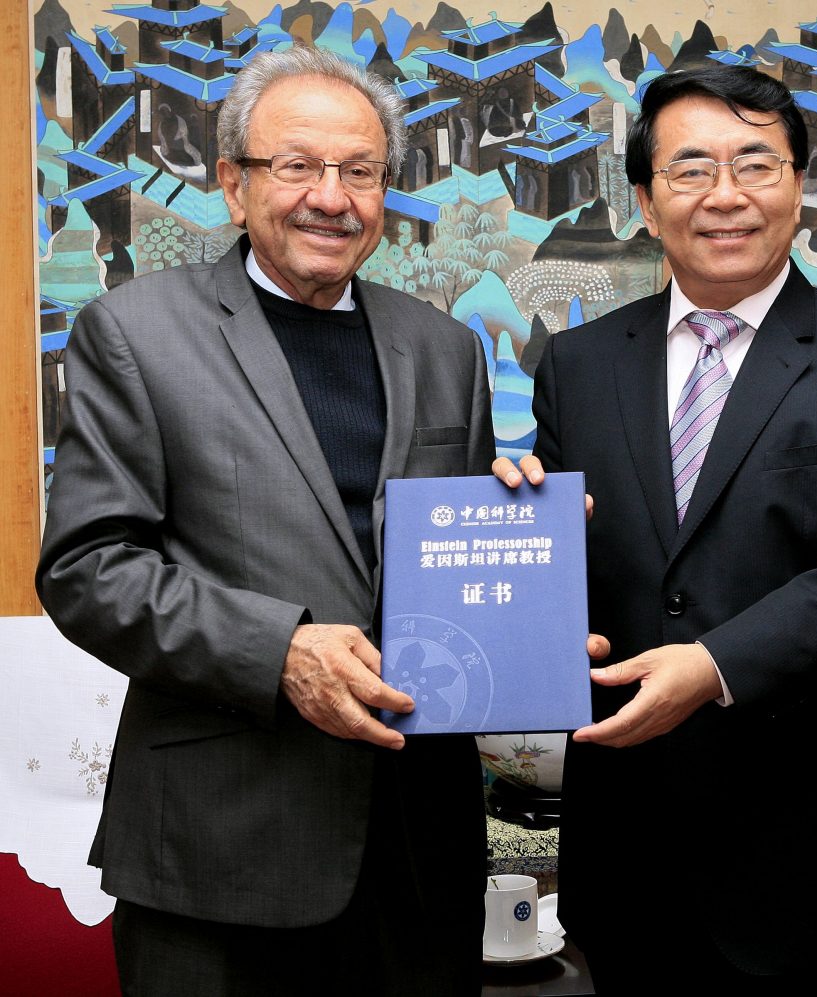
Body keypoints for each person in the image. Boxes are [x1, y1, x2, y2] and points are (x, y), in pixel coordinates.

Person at [37, 46, 494, 997]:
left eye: (359, 171)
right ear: (233, 184)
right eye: (297, 166)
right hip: (221, 849)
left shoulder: (446, 348)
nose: (331, 197)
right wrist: (278, 650)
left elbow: (450, 564)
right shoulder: (134, 333)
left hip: (419, 856)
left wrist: (525, 556)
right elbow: (87, 567)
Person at [495, 65, 817, 994]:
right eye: (692, 168)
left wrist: (714, 665)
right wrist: (523, 539)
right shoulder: (577, 365)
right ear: (646, 200)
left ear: (798, 185)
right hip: (631, 860)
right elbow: (577, 567)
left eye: (755, 164)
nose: (726, 195)